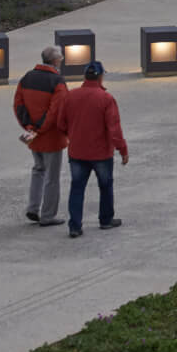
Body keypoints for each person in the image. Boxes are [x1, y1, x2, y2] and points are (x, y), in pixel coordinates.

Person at [56, 60, 126, 238]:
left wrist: (72, 135)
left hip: (77, 151)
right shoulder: (106, 99)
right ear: (101, 77)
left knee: (77, 187)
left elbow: (60, 124)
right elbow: (114, 129)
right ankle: (105, 220)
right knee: (105, 185)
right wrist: (122, 149)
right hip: (101, 153)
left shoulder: (70, 96)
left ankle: (75, 226)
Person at [13, 45, 69, 227]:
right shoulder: (57, 81)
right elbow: (57, 109)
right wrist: (41, 128)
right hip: (51, 136)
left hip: (33, 136)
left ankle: (33, 207)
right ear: (55, 61)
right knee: (52, 177)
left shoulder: (27, 78)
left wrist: (29, 127)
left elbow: (18, 105)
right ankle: (47, 215)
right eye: (60, 57)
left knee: (38, 170)